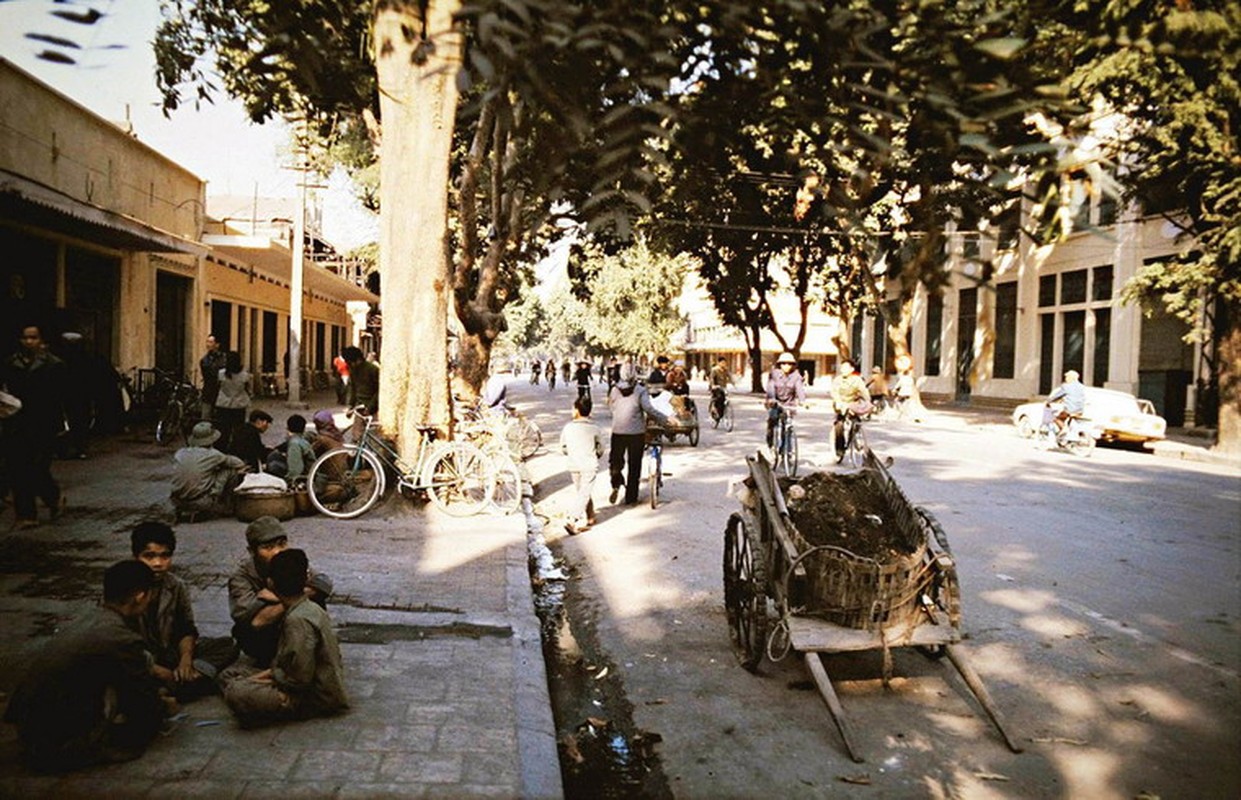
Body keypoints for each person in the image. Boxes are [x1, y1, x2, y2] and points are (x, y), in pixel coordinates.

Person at [3, 561, 164, 773]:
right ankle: (83, 747)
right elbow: (142, 700)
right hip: (54, 742)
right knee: (142, 720)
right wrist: (160, 708)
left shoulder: (89, 618)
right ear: (141, 596)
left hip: (27, 727)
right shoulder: (121, 638)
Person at [221, 548, 348, 727]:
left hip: (315, 697)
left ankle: (264, 707)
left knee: (237, 692)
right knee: (229, 674)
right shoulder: (308, 607)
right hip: (297, 678)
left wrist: (258, 680)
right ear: (304, 580)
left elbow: (298, 679)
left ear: (271, 583)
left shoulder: (297, 620)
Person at [131, 522, 239, 699]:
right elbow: (120, 644)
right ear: (136, 556)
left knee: (229, 645)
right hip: (138, 659)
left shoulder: (176, 586)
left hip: (169, 654)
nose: (158, 563)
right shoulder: (124, 586)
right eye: (149, 556)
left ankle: (176, 684)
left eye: (165, 556)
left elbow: (186, 628)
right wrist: (158, 671)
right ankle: (178, 686)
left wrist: (185, 659)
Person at [228, 516, 333, 668]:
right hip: (267, 638)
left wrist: (281, 598)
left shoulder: (290, 562)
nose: (277, 552)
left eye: (282, 544)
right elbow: (256, 620)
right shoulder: (241, 577)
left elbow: (323, 583)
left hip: (295, 627)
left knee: (316, 601)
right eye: (268, 548)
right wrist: (293, 598)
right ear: (252, 551)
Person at [2, 324, 68, 529]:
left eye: (33, 338)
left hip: (44, 424)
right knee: (18, 468)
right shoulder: (10, 363)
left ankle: (53, 497)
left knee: (38, 468)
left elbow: (62, 397)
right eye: (25, 338)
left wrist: (61, 425)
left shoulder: (54, 364)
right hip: (17, 423)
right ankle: (26, 515)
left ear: (41, 340)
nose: (29, 342)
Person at [607, 363, 669, 506]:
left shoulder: (614, 390)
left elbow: (611, 408)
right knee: (634, 465)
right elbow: (649, 409)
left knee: (615, 463)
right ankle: (631, 497)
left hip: (618, 431)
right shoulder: (640, 390)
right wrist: (665, 419)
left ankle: (616, 482)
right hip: (636, 433)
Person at [171, 421, 246, 520]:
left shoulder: (180, 453)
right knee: (230, 471)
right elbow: (239, 463)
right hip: (201, 502)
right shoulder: (213, 454)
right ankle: (227, 507)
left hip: (177, 500)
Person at [559, 395, 602, 534]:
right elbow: (601, 448)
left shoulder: (568, 428)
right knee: (584, 492)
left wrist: (572, 453)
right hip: (589, 464)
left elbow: (563, 447)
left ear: (576, 410)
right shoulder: (595, 428)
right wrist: (596, 454)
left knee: (582, 492)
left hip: (574, 464)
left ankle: (586, 517)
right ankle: (574, 519)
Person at [764, 352, 806, 451]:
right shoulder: (774, 374)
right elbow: (771, 387)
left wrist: (802, 401)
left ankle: (786, 450)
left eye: (789, 364)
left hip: (789, 404)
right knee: (772, 419)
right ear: (780, 365)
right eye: (784, 363)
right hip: (775, 402)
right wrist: (772, 399)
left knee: (787, 426)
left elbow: (799, 389)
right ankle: (770, 442)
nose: (787, 366)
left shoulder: (796, 376)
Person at [831, 360, 872, 459]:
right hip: (840, 404)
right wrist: (840, 404)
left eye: (845, 367)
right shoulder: (837, 380)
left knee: (857, 420)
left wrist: (868, 402)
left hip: (853, 403)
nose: (843, 370)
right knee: (839, 425)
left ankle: (854, 435)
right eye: (842, 367)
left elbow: (864, 392)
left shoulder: (857, 380)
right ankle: (839, 449)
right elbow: (834, 393)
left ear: (852, 369)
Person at [213, 350, 251, 449]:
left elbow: (217, 387)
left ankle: (221, 448)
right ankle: (237, 448)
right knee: (238, 430)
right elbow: (247, 389)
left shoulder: (221, 374)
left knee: (223, 429)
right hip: (239, 405)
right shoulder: (244, 375)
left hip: (223, 404)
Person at [268, 414, 315, 484]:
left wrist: (290, 479)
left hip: (304, 473)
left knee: (273, 465)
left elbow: (295, 470)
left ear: (288, 428)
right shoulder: (301, 438)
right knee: (274, 455)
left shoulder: (294, 444)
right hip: (304, 466)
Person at [1046, 369, 1086, 438]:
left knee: (1055, 418)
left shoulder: (1066, 386)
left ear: (1071, 378)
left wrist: (1049, 401)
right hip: (1080, 410)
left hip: (1070, 409)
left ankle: (1064, 428)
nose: (1066, 379)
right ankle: (1066, 436)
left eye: (1067, 377)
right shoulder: (1081, 386)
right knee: (1066, 418)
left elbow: (1057, 395)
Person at [199, 334, 226, 421]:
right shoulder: (204, 360)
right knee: (205, 418)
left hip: (220, 393)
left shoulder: (224, 358)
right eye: (207, 342)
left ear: (217, 344)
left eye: (211, 342)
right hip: (208, 392)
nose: (208, 344)